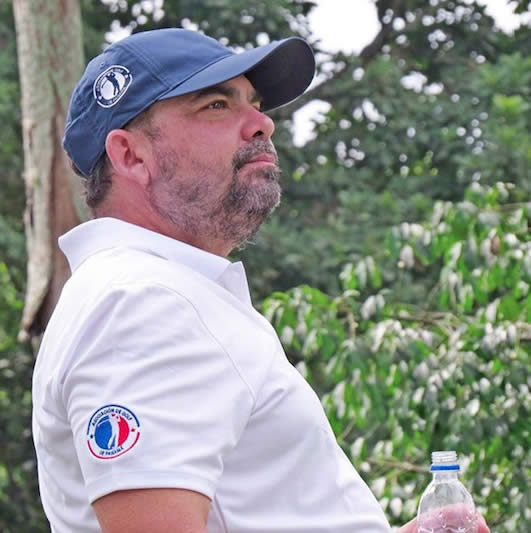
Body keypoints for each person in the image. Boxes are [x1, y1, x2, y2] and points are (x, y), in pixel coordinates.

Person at [32, 28, 490, 533]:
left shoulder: (163, 293)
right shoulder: (141, 302)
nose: (262, 123)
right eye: (216, 105)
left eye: (254, 103)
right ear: (131, 156)